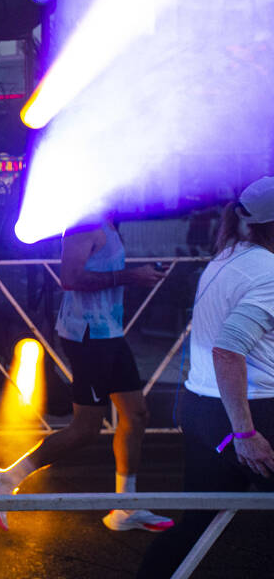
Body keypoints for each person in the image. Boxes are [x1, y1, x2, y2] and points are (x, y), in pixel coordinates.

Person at [0, 213, 172, 533]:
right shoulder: (85, 223)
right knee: (85, 428)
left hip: (109, 333)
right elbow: (69, 277)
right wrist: (131, 276)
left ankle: (125, 507)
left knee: (136, 415)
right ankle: (4, 478)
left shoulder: (109, 223)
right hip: (88, 335)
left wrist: (134, 276)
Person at [136, 176, 274, 578]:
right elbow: (228, 348)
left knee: (196, 524)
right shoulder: (267, 272)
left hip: (203, 409)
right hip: (251, 413)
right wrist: (245, 434)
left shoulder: (228, 257)